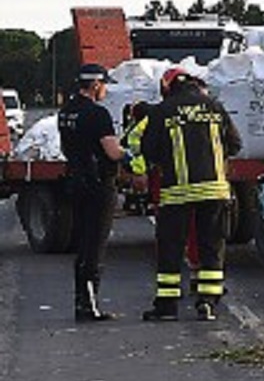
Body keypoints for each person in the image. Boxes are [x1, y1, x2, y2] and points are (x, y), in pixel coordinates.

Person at [139, 67, 243, 321]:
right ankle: (207, 302)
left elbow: (149, 151)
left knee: (171, 248)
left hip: (177, 192)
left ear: (167, 87)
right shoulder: (214, 107)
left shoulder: (162, 111)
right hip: (215, 189)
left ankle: (167, 306)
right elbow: (235, 145)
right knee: (212, 247)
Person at [59, 63, 125, 322]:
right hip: (98, 184)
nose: (105, 90)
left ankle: (81, 302)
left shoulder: (66, 112)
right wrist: (129, 152)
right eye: (105, 85)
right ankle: (89, 305)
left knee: (84, 243)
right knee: (95, 246)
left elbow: (67, 148)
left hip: (76, 181)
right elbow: (112, 152)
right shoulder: (98, 114)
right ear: (96, 84)